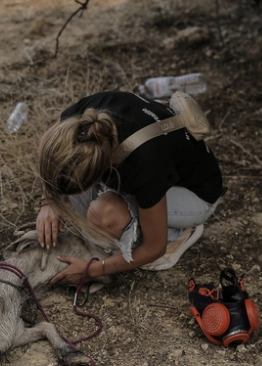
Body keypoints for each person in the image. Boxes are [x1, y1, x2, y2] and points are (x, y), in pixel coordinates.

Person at [35, 90, 225, 287]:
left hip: (195, 194)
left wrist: (91, 270)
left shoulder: (145, 161)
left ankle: (180, 233)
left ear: (97, 175)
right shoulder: (87, 118)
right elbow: (46, 142)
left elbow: (154, 248)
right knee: (84, 208)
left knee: (104, 215)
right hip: (158, 164)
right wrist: (48, 201)